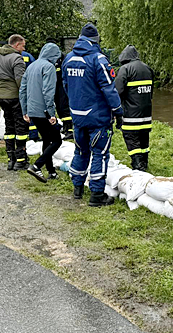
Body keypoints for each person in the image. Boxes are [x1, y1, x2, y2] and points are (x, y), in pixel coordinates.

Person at [62, 23, 123, 206]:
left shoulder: (68, 59)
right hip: (97, 117)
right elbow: (108, 88)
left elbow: (66, 86)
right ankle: (97, 194)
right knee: (100, 154)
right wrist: (118, 111)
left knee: (80, 150)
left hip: (77, 116)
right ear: (96, 40)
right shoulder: (99, 59)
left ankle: (78, 188)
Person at [19, 42, 63, 182]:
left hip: (32, 111)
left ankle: (51, 172)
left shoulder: (31, 66)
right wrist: (51, 113)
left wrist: (24, 110)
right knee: (57, 141)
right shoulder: (49, 67)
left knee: (46, 138)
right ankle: (37, 166)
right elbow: (48, 92)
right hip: (44, 110)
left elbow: (22, 90)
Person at [114, 45, 154, 171]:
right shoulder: (148, 69)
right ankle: (144, 163)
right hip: (146, 113)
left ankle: (138, 165)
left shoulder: (125, 69)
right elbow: (151, 93)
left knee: (131, 138)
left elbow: (117, 92)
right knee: (144, 139)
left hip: (131, 115)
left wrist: (115, 111)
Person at [0, 34, 29, 170]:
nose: (24, 48)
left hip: (3, 96)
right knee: (20, 128)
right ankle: (21, 160)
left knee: (9, 128)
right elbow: (20, 80)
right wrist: (26, 97)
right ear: (16, 45)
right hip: (15, 96)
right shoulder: (17, 58)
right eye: (23, 45)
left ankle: (10, 159)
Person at [46, 37, 73, 140]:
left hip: (61, 84)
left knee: (63, 106)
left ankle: (69, 129)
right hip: (52, 84)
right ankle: (63, 127)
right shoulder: (47, 57)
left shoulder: (61, 56)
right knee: (57, 106)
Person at [21, 47, 39, 141]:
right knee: (31, 110)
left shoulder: (3, 57)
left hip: (13, 89)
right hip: (28, 86)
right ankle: (33, 135)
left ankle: (21, 133)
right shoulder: (28, 56)